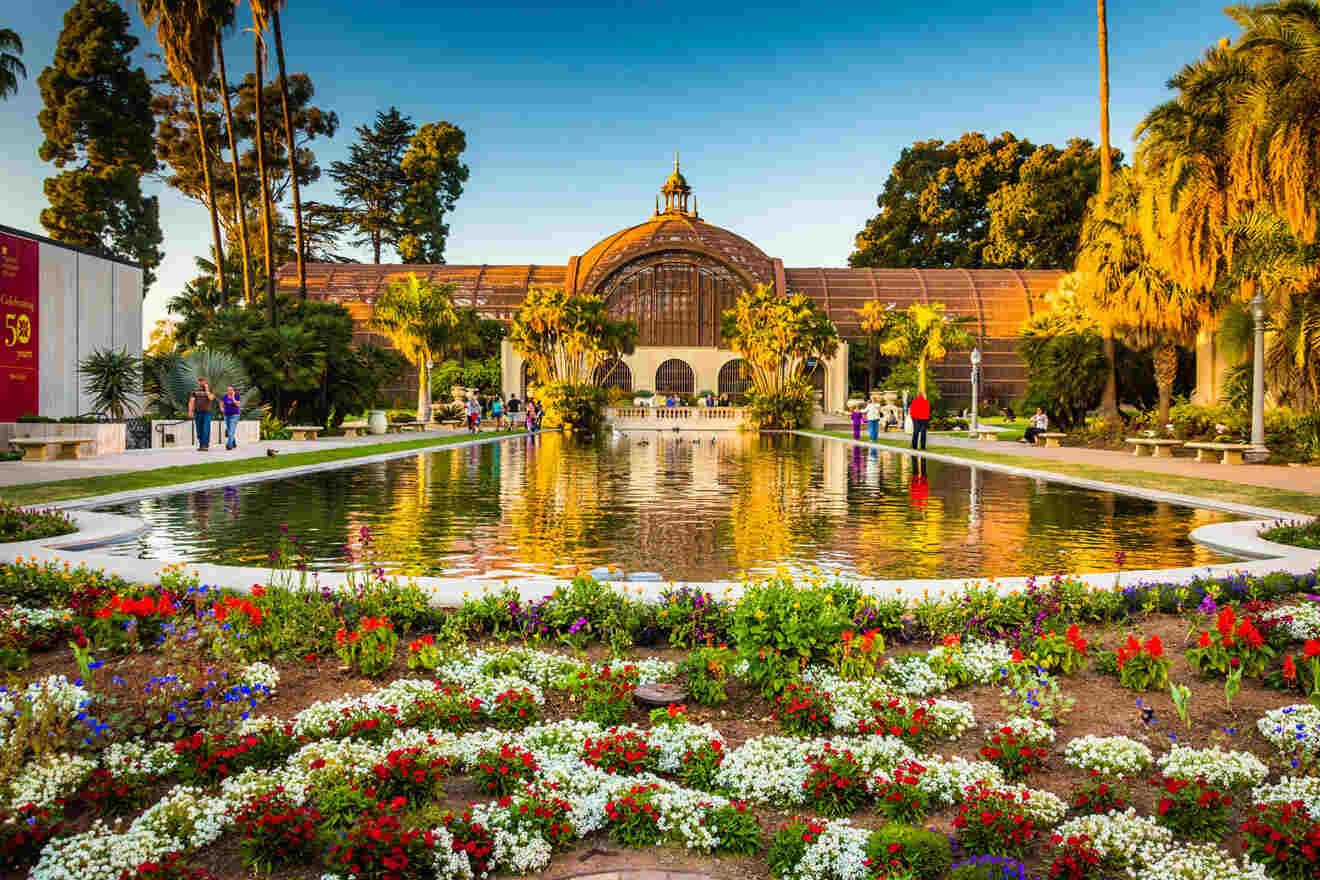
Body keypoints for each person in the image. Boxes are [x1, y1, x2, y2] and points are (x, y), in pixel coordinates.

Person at [188, 377, 215, 452]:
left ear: (206, 381)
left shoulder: (211, 390)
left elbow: (211, 398)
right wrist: (190, 411)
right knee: (199, 429)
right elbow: (191, 401)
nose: (201, 382)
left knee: (206, 428)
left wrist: (207, 389)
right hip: (197, 412)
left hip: (207, 413)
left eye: (202, 381)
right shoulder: (195, 391)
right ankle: (201, 444)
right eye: (200, 381)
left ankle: (205, 445)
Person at [221, 386, 241, 450]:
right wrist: (222, 408)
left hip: (235, 415)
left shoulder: (237, 396)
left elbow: (238, 404)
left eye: (231, 390)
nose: (229, 391)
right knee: (230, 430)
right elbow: (221, 402)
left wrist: (233, 398)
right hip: (226, 415)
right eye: (228, 390)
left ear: (233, 390)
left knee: (231, 430)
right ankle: (233, 442)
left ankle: (229, 444)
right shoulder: (225, 396)